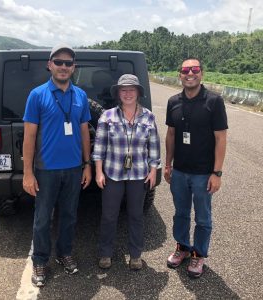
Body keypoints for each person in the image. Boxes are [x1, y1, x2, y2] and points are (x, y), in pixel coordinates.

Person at [22, 43, 92, 287]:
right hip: (46, 170)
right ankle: (40, 260)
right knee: (42, 218)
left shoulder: (80, 96)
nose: (63, 67)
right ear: (49, 65)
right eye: (59, 62)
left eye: (68, 63)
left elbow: (84, 132)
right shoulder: (37, 95)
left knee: (70, 216)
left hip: (73, 169)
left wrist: (87, 165)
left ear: (73, 68)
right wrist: (28, 173)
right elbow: (29, 136)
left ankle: (64, 253)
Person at [164, 58, 228, 278]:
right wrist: (167, 164)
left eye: (194, 69)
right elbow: (171, 134)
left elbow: (221, 138)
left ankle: (198, 254)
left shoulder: (214, 101)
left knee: (203, 217)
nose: (189, 73)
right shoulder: (173, 101)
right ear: (179, 74)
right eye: (185, 70)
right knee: (180, 213)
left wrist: (217, 173)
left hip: (203, 174)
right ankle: (182, 247)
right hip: (180, 171)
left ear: (202, 73)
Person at [92, 74, 161, 271]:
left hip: (138, 174)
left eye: (132, 89)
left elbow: (154, 146)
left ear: (138, 92)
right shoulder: (108, 116)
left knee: (136, 215)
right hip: (113, 174)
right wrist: (99, 172)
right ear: (118, 93)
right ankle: (105, 253)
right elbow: (99, 148)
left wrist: (153, 170)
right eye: (124, 90)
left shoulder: (148, 117)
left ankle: (136, 255)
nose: (128, 93)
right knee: (109, 215)